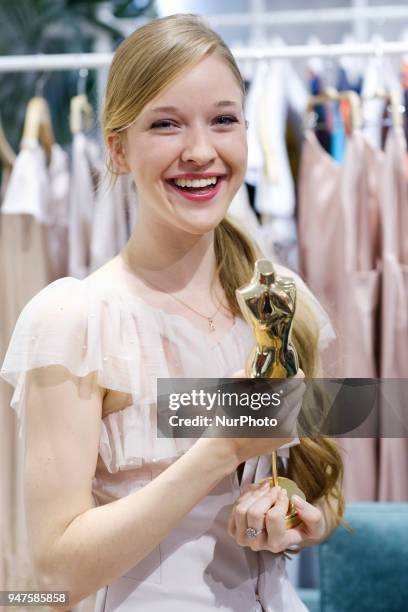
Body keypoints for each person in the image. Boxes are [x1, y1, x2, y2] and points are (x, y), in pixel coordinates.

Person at [0, 14, 344, 612]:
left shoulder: (278, 299)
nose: (201, 151)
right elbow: (49, 572)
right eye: (166, 124)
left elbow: (324, 478)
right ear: (118, 149)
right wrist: (217, 450)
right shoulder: (73, 320)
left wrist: (298, 513)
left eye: (223, 120)